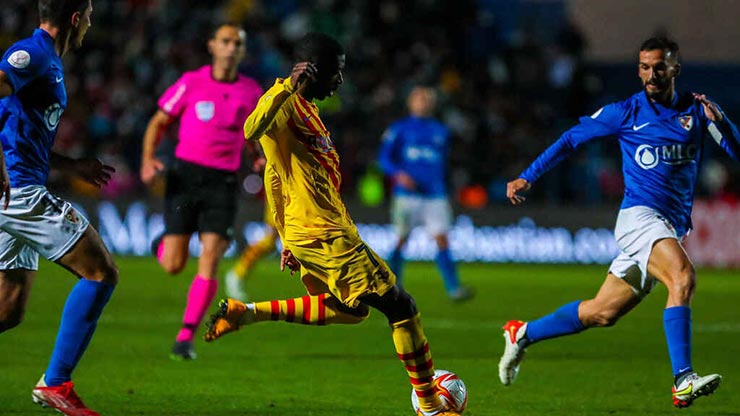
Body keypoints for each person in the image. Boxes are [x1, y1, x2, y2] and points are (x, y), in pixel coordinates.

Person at [204, 32, 460, 416]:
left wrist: (287, 237)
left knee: (351, 310)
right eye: (335, 72)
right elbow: (250, 128)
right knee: (401, 307)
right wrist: (289, 85)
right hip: (324, 234)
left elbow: (277, 175)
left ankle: (247, 312)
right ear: (312, 70)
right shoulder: (285, 101)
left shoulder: (308, 109)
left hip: (320, 230)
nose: (340, 80)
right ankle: (430, 406)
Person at [500, 37, 738, 408]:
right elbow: (569, 140)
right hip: (638, 218)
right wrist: (528, 176)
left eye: (660, 67)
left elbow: (735, 150)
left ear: (675, 68)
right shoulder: (625, 112)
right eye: (644, 67)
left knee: (602, 312)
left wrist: (721, 121)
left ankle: (522, 334)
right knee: (683, 277)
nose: (651, 74)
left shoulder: (697, 110)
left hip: (670, 226)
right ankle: (683, 379)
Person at [0, 1, 118, 415]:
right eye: (88, 13)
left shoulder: (48, 61)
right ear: (74, 18)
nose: (90, 21)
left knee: (7, 309)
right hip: (19, 194)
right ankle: (56, 382)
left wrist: (72, 166)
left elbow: (21, 132)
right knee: (101, 272)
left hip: (16, 190)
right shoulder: (31, 54)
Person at [139, 23, 262, 360]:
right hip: (186, 177)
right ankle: (163, 247)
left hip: (223, 182)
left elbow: (253, 133)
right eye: (225, 41)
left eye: (238, 43)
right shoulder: (191, 82)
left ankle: (185, 336)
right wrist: (149, 160)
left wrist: (258, 158)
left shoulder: (251, 91)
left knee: (211, 257)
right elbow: (158, 121)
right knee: (174, 265)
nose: (231, 48)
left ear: (242, 50)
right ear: (212, 45)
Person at [378, 86, 473, 302]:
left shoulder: (441, 130)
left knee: (442, 239)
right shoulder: (399, 129)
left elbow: (443, 163)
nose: (423, 103)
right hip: (406, 195)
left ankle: (453, 288)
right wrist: (399, 175)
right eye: (419, 99)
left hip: (434, 195)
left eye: (427, 99)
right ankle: (393, 287)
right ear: (411, 103)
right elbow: (384, 159)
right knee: (401, 240)